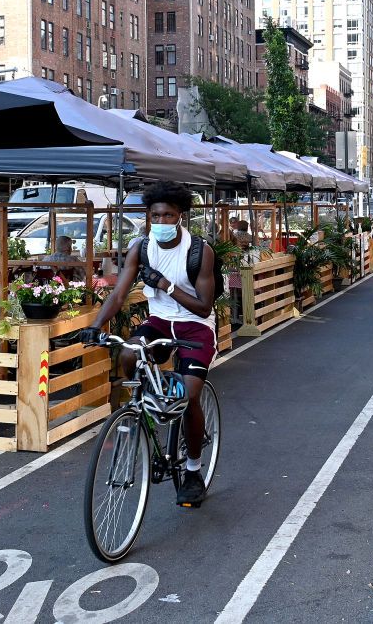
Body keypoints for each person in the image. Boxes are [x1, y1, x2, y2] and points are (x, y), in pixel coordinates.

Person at [80, 180, 217, 507]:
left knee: (189, 396)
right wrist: (95, 326)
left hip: (195, 327)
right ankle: (141, 403)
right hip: (158, 322)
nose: (162, 222)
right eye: (156, 215)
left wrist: (167, 286)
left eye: (169, 216)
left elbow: (204, 307)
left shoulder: (200, 252)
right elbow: (118, 294)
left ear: (180, 216)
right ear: (148, 216)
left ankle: (194, 470)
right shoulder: (141, 248)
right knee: (129, 352)